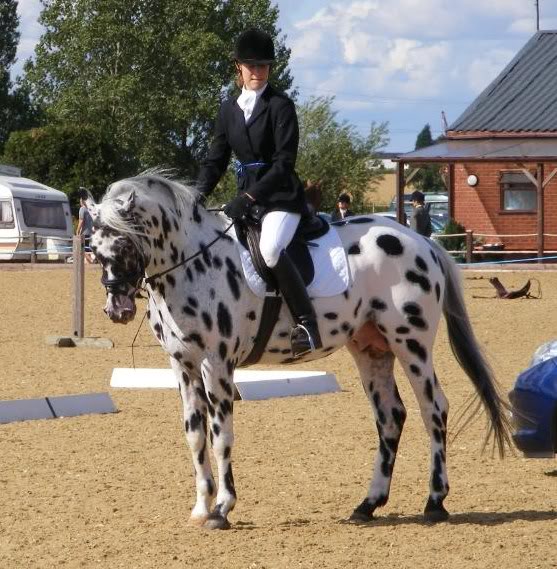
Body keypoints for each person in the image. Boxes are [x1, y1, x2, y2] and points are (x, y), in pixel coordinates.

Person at [197, 28, 322, 357]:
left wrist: (250, 197)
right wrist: (194, 196)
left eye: (264, 66)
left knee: (269, 249)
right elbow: (216, 160)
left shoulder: (281, 106)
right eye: (252, 66)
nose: (258, 72)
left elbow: (284, 163)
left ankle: (307, 324)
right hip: (244, 199)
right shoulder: (228, 110)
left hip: (280, 197)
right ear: (238, 67)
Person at [76, 188, 95, 263]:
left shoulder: (82, 209)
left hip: (84, 232)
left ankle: (91, 260)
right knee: (88, 249)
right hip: (91, 232)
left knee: (82, 249)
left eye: (80, 201)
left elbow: (81, 221)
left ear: (82, 202)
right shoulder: (90, 209)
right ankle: (90, 263)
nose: (80, 202)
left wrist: (77, 231)